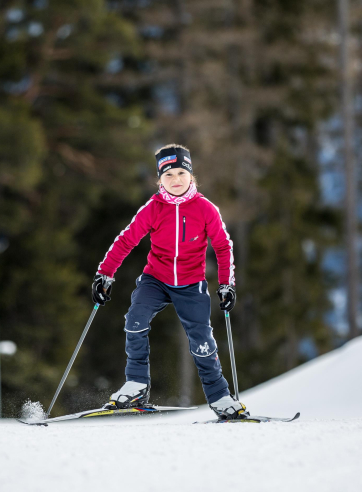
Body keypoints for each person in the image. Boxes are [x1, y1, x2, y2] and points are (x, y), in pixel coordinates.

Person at [92, 144, 246, 419]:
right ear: (159, 179)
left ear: (191, 175)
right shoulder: (152, 208)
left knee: (201, 341)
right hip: (156, 279)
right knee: (135, 320)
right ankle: (137, 383)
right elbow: (127, 240)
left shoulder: (205, 209)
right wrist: (105, 274)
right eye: (168, 175)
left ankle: (221, 397)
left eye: (180, 173)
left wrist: (226, 283)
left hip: (191, 284)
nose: (175, 180)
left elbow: (223, 246)